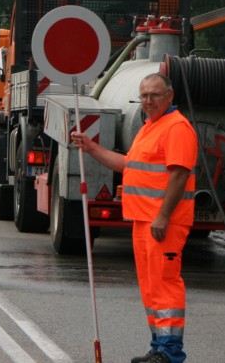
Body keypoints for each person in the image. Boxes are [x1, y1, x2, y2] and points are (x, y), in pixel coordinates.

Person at [71, 73, 197, 363]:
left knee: (164, 285)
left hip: (162, 222)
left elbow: (179, 174)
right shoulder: (150, 126)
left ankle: (169, 353)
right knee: (152, 287)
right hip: (144, 220)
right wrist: (91, 147)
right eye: (144, 96)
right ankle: (159, 347)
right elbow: (128, 164)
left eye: (154, 95)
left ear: (170, 96)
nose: (149, 101)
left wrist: (163, 216)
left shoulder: (176, 127)